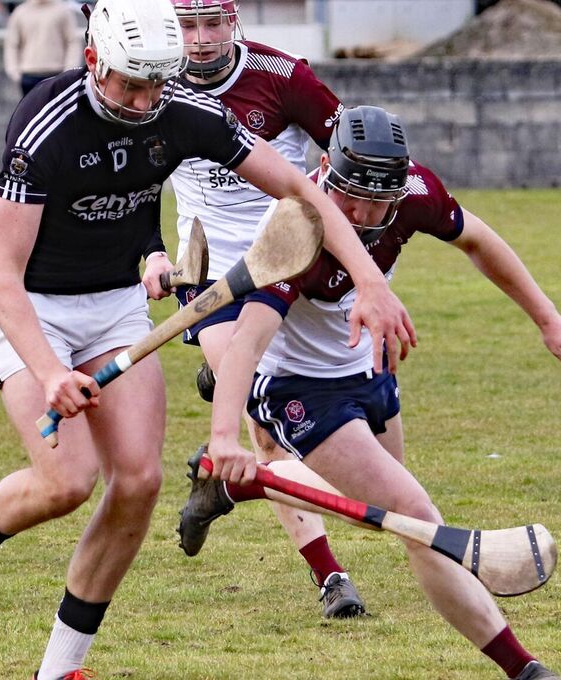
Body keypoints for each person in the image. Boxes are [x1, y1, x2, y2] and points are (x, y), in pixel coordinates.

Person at [0, 0, 415, 675]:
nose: (145, 100)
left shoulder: (183, 110)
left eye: (157, 82)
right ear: (95, 61)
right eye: (129, 84)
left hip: (115, 306)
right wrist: (51, 373)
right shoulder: (46, 123)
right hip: (32, 306)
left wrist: (370, 282)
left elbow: (299, 187)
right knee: (67, 480)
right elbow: (1, 273)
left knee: (140, 481)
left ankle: (61, 668)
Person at [181, 105, 561, 680]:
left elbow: (477, 239)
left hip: (369, 367)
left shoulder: (413, 192)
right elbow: (248, 343)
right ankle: (523, 668)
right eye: (351, 197)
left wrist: (548, 319)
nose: (364, 214)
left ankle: (230, 488)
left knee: (376, 517)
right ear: (325, 168)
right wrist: (225, 432)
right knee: (417, 520)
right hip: (300, 387)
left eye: (379, 201)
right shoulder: (294, 227)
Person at [164, 0, 366, 619]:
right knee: (267, 426)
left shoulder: (285, 78)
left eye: (211, 24)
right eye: (186, 26)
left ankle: (217, 483)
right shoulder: (154, 84)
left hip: (291, 271)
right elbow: (134, 184)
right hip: (212, 283)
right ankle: (331, 578)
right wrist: (150, 252)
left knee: (273, 411)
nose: (199, 41)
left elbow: (349, 155)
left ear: (234, 21)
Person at [3, 0, 82, 97]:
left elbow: (72, 41)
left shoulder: (63, 11)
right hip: (29, 75)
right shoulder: (20, 13)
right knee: (30, 111)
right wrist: (14, 71)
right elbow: (12, 44)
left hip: (56, 73)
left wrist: (69, 69)